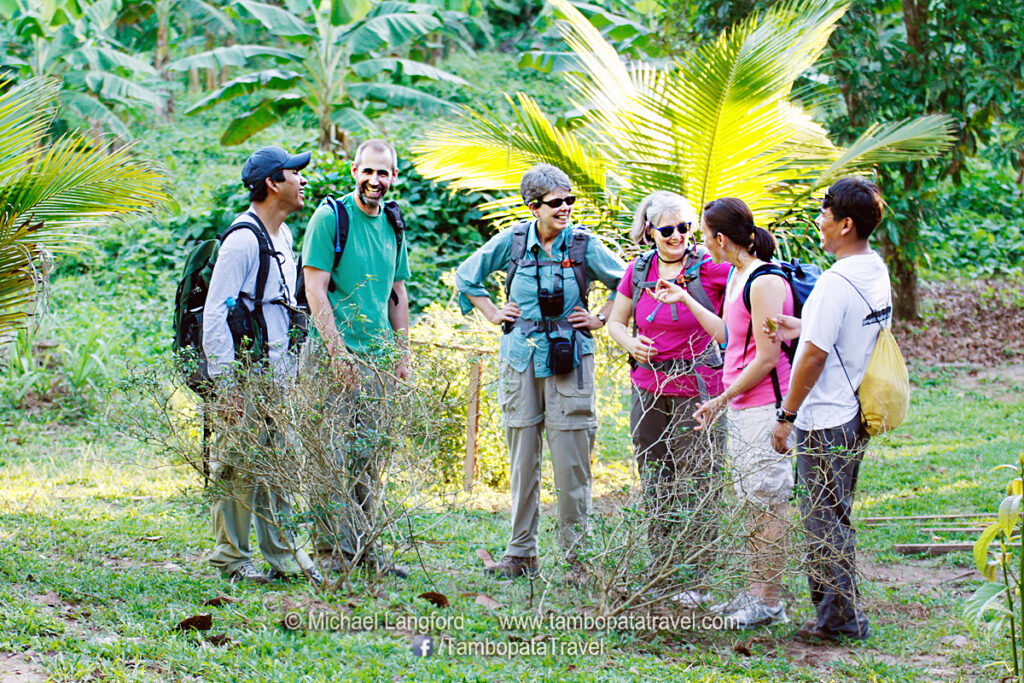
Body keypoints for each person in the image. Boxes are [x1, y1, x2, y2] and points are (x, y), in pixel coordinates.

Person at [455, 164, 624, 584]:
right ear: (533, 206)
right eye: (555, 202)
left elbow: (628, 282)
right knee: (522, 459)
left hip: (571, 360)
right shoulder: (513, 241)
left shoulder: (584, 244)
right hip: (520, 359)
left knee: (572, 463)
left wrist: (602, 317)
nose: (565, 208)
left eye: (570, 200)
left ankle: (577, 560)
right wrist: (493, 312)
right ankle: (520, 553)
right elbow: (467, 275)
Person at [653, 197, 794, 627]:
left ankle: (769, 602)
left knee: (769, 503)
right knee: (753, 501)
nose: (698, 242)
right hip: (742, 404)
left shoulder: (765, 281)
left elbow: (767, 357)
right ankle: (755, 593)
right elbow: (728, 335)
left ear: (720, 238)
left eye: (702, 235)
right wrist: (684, 298)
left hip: (765, 404)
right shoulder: (738, 275)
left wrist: (720, 398)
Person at [768, 176, 890, 642]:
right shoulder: (873, 269)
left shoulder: (835, 282)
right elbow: (846, 330)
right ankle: (834, 613)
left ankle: (840, 620)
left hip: (825, 417)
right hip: (855, 410)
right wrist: (802, 326)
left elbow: (815, 357)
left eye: (824, 215)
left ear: (845, 224)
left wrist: (786, 416)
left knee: (823, 520)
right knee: (834, 514)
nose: (819, 222)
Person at [604, 191, 730, 603]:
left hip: (698, 388)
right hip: (647, 387)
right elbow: (616, 322)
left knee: (699, 476)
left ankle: (695, 574)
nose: (677, 236)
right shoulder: (638, 269)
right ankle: (663, 566)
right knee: (656, 476)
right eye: (667, 229)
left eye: (684, 227)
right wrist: (631, 343)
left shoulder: (710, 268)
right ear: (650, 231)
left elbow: (735, 320)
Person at [202, 145, 320, 585]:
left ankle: (285, 557)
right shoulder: (243, 240)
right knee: (236, 467)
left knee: (281, 464)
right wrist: (227, 385)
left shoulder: (283, 236)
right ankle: (232, 559)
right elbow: (215, 314)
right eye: (294, 173)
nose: (303, 180)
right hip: (244, 375)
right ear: (272, 183)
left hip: (277, 373)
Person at [302, 139, 411, 579]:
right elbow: (314, 289)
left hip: (377, 359)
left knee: (369, 457)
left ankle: (365, 548)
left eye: (383, 173)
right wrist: (337, 352)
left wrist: (401, 354)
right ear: (354, 171)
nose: (375, 180)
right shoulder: (331, 218)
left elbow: (398, 292)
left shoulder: (394, 223)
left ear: (393, 177)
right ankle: (330, 553)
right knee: (329, 456)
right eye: (368, 171)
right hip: (333, 357)